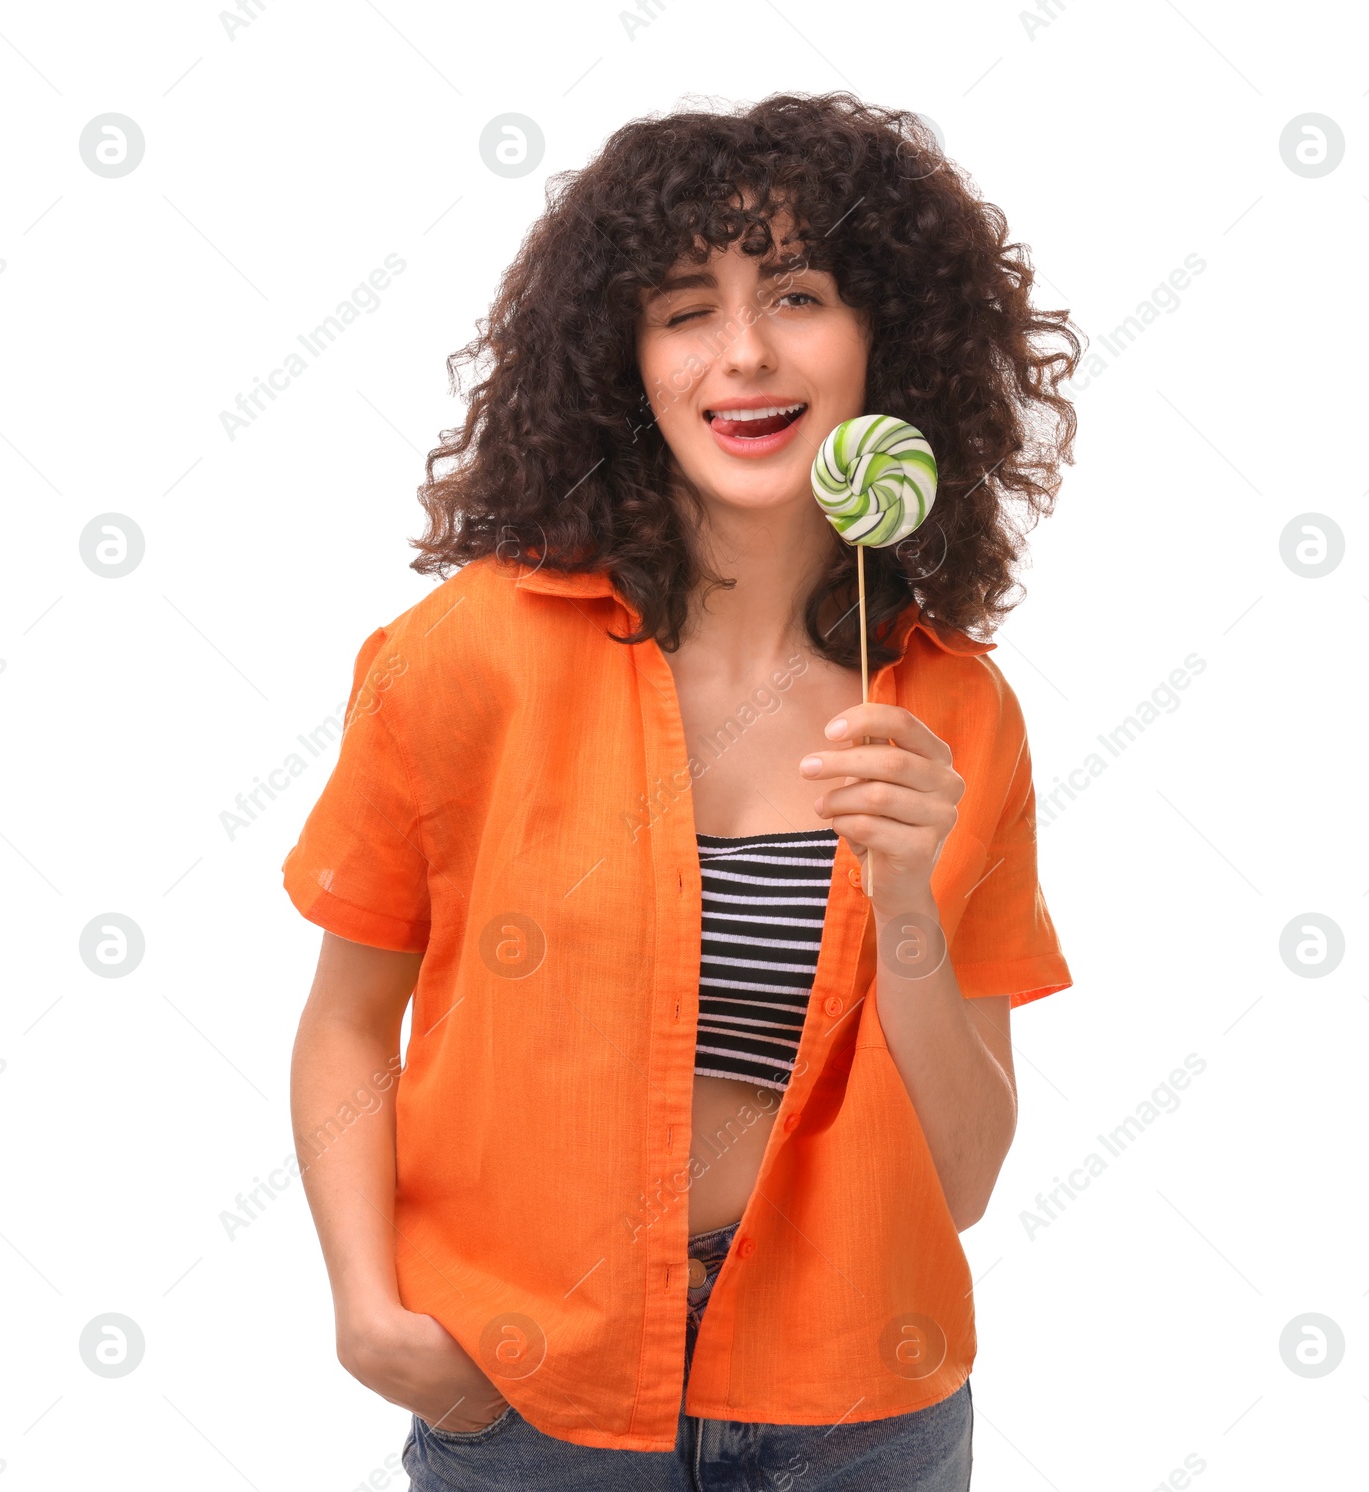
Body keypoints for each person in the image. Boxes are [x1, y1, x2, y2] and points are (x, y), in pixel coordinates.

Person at [283, 90, 1082, 1491]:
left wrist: (906, 897)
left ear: (887, 338)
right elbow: (350, 1019)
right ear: (622, 361)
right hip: (531, 1402)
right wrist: (371, 1315)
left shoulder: (955, 712)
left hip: (860, 1411)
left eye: (797, 293)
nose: (747, 354)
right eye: (684, 309)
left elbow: (963, 1177)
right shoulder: (470, 655)